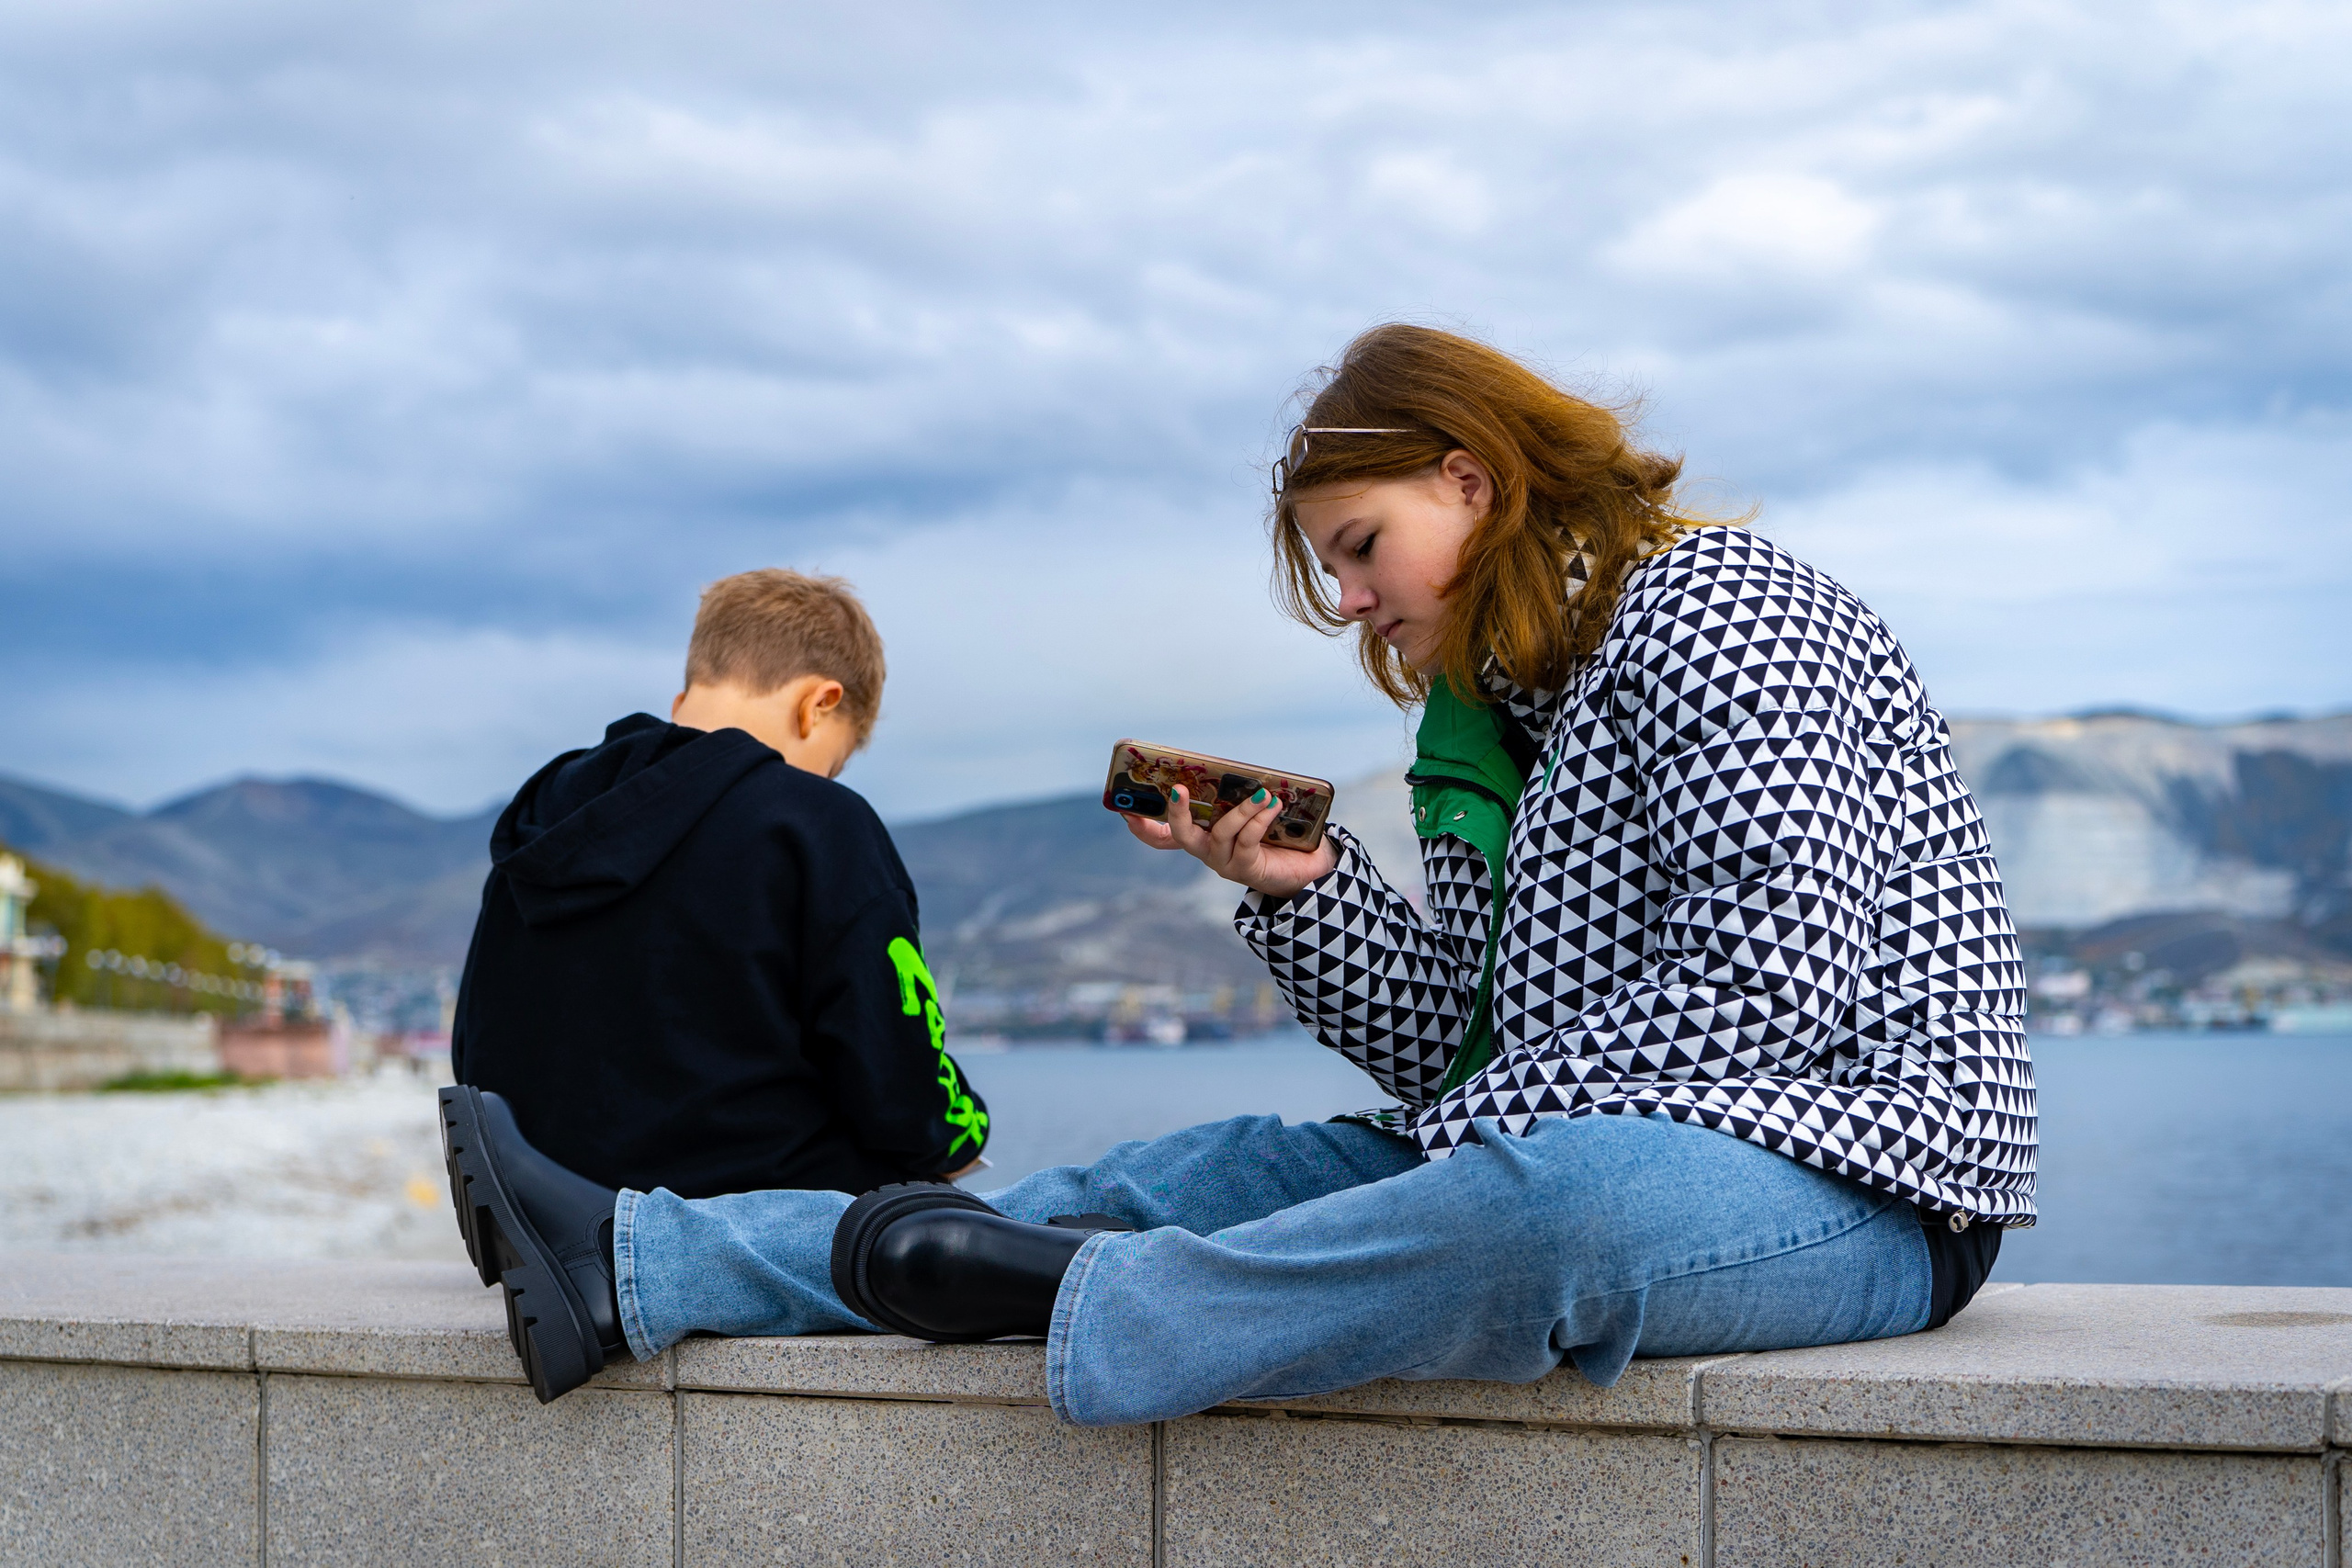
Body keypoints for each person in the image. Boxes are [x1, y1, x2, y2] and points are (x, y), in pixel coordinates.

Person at [442, 325, 2034, 1414]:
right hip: (1563, 1132)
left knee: (1549, 1217)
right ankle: (630, 1258)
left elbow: (1772, 986)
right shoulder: (1488, 727)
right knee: (1180, 1177)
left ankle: (1079, 1305)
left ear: (1470, 481)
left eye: (1360, 544)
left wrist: (1460, 1142)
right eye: (1335, 563)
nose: (1351, 601)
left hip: (1862, 1175)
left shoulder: (1723, 608)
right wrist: (1301, 884)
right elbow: (1453, 1047)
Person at [448, 568, 989, 1242]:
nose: (822, 782)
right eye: (833, 762)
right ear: (818, 704)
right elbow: (900, 1079)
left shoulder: (546, 823)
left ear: (685, 699)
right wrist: (963, 1135)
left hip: (547, 1231)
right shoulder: (815, 823)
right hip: (748, 1231)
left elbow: (473, 1050)